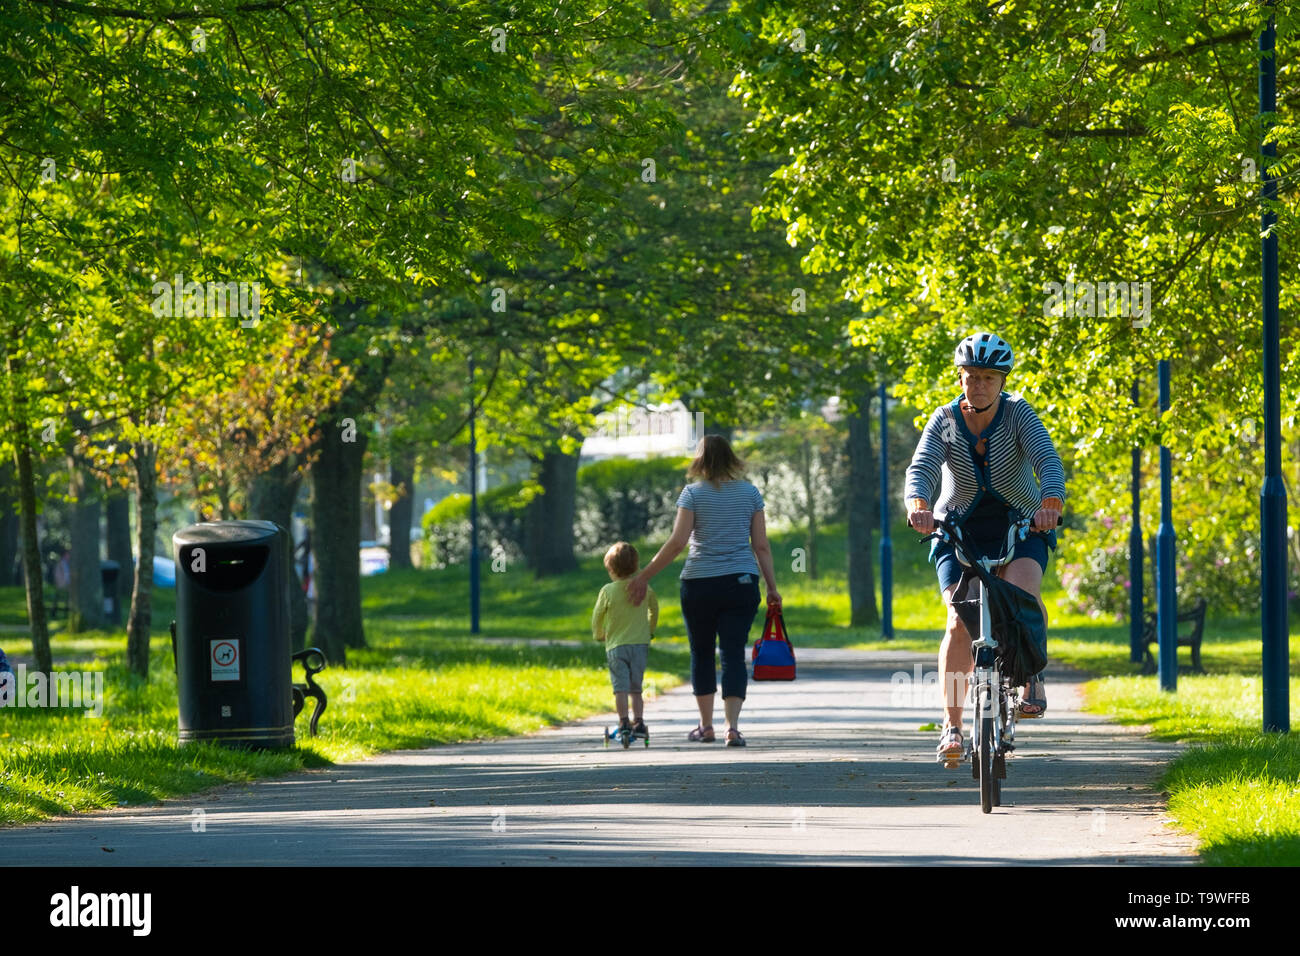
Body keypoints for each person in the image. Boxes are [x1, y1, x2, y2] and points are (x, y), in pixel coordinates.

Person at [904, 332, 1066, 768]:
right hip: (958, 525)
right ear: (960, 377)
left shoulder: (1018, 415)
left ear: (1002, 380)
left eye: (988, 378)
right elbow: (920, 467)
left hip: (1022, 522)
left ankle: (1031, 676)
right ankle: (952, 726)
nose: (978, 385)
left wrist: (1051, 501)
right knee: (959, 619)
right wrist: (918, 504)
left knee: (1022, 596)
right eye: (970, 376)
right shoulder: (945, 419)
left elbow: (1047, 461)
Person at [626, 435, 780, 747]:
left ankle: (706, 726)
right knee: (734, 652)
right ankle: (732, 728)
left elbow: (677, 543)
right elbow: (761, 546)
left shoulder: (692, 494)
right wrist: (772, 587)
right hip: (742, 582)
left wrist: (644, 576)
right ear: (731, 459)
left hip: (699, 583)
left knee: (702, 653)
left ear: (700, 460)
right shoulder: (750, 493)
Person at [592, 541, 658, 740]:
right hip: (640, 644)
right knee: (636, 688)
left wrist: (598, 634)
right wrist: (650, 630)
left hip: (616, 646)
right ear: (636, 566)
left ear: (610, 568)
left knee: (620, 687)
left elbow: (597, 615)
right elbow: (654, 610)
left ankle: (623, 722)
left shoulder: (607, 591)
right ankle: (639, 721)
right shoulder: (645, 588)